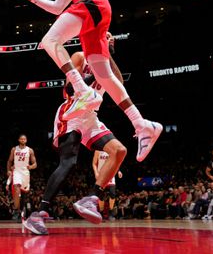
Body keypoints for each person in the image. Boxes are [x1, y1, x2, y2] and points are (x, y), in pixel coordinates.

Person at [11, 0, 162, 162]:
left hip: (93, 4)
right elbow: (58, 6)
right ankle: (143, 125)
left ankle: (82, 91)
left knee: (49, 41)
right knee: (104, 76)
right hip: (91, 16)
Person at [23, 50, 127, 235]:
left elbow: (120, 84)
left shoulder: (105, 62)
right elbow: (69, 89)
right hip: (73, 110)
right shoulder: (80, 56)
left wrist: (109, 54)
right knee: (69, 162)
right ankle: (38, 214)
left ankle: (92, 197)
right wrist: (95, 74)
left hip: (91, 117)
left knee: (119, 151)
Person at [7, 134, 37, 221]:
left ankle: (21, 211)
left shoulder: (30, 150)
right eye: (21, 139)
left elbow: (35, 164)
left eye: (24, 139)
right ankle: (16, 210)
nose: (23, 140)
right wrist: (8, 170)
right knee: (17, 188)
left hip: (25, 173)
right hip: (17, 171)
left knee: (24, 195)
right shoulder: (14, 149)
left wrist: (31, 167)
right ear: (19, 140)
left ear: (26, 140)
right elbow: (9, 161)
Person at [93, 149, 122, 219]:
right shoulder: (98, 150)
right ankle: (101, 212)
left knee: (112, 194)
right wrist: (96, 173)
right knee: (101, 195)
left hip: (111, 174)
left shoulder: (111, 149)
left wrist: (118, 171)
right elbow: (94, 163)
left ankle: (111, 211)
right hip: (101, 175)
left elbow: (115, 162)